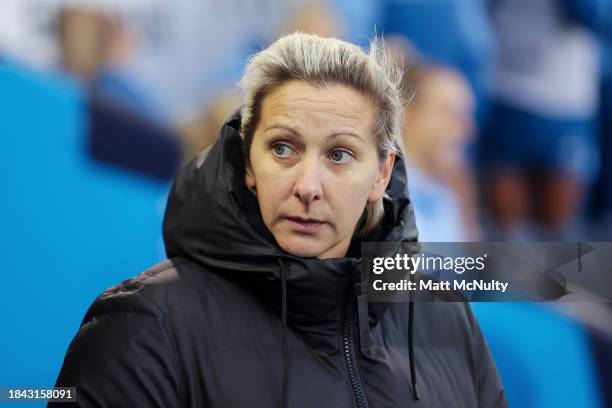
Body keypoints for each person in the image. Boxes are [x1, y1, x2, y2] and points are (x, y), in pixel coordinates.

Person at [50, 33, 506, 407]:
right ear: (248, 161)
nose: (307, 185)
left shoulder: (446, 318)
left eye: (339, 155)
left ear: (381, 174)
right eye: (282, 148)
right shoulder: (145, 324)